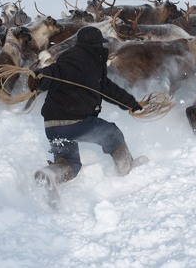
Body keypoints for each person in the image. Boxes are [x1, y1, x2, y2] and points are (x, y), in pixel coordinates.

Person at [28, 26, 148, 207]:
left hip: (53, 125)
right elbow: (55, 73)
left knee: (70, 163)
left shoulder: (73, 58)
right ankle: (127, 169)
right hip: (75, 122)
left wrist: (131, 103)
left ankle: (50, 174)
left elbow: (106, 88)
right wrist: (39, 78)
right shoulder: (79, 59)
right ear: (96, 45)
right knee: (113, 134)